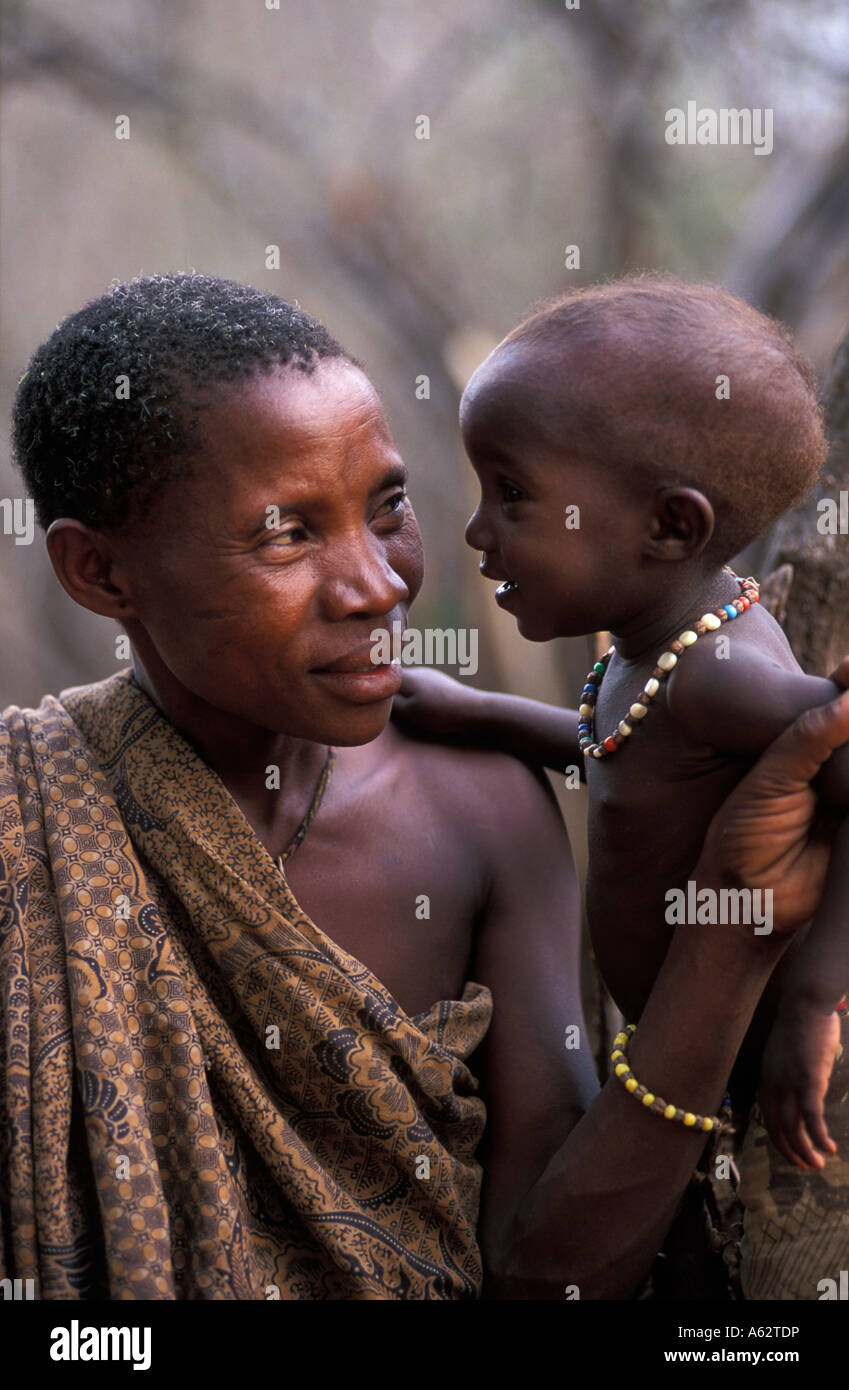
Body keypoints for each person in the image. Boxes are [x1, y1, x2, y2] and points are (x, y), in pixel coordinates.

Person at [0, 272, 844, 1303]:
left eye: (387, 506)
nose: (380, 584)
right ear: (99, 573)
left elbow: (551, 1276)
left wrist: (732, 942)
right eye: (286, 532)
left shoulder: (479, 810)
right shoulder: (28, 824)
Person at [393, 275, 849, 1298]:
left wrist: (817, 992)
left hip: (791, 1084)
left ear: (671, 529)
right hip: (700, 1064)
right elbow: (627, 759)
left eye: (511, 494)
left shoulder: (724, 673)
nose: (476, 532)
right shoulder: (657, 651)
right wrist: (481, 714)